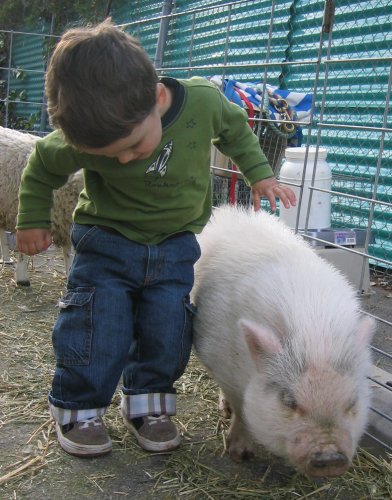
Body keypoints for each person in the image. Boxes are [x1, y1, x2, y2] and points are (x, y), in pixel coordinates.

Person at [16, 19, 296, 458]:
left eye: (133, 146)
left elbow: (236, 128)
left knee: (167, 328)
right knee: (96, 325)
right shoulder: (90, 129)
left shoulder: (202, 101)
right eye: (110, 157)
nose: (125, 159)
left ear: (155, 97)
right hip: (106, 243)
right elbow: (40, 167)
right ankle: (79, 408)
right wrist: (32, 220)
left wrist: (259, 174)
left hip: (175, 246)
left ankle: (149, 404)